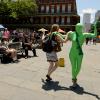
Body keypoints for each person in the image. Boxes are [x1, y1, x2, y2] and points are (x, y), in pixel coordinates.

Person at [67, 23, 97, 88]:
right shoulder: (73, 34)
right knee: (73, 67)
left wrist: (95, 27)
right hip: (72, 53)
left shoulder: (84, 35)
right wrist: (56, 33)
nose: (78, 28)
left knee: (78, 67)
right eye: (77, 27)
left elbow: (95, 35)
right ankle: (74, 79)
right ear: (75, 28)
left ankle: (74, 77)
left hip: (80, 54)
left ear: (82, 28)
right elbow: (64, 37)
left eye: (80, 27)